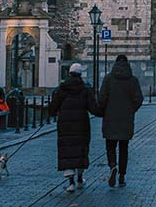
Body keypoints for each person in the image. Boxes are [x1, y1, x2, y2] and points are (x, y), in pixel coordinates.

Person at [49, 63, 102, 193]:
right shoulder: (85, 89)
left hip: (65, 126)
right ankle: (79, 179)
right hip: (81, 125)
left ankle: (71, 183)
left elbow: (52, 108)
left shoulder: (62, 89)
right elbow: (94, 109)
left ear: (70, 74)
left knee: (67, 152)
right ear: (80, 74)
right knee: (80, 151)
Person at [99, 55, 143, 188]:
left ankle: (112, 165)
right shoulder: (133, 80)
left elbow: (102, 98)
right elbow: (139, 99)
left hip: (110, 118)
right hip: (126, 119)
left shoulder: (108, 79)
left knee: (110, 145)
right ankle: (122, 176)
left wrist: (104, 110)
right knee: (124, 147)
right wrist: (130, 110)